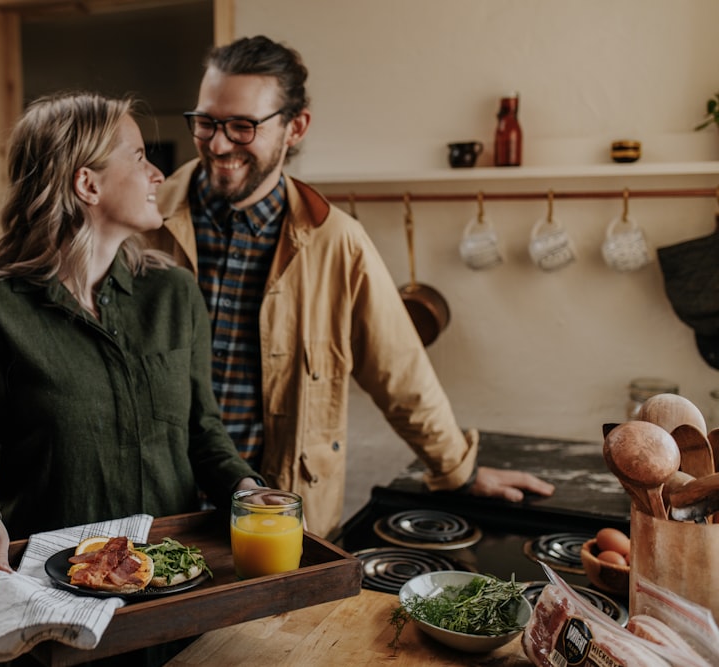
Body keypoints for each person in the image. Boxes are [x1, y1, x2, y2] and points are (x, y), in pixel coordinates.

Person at [145, 36, 555, 538]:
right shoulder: (143, 220)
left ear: (296, 127)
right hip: (160, 507)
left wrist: (458, 471)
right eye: (206, 122)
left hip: (279, 517)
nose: (219, 143)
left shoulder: (338, 243)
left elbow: (400, 371)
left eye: (243, 126)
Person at [0, 91, 266, 606]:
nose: (158, 175)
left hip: (173, 589)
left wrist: (247, 492)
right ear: (87, 183)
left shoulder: (174, 293)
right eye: (140, 156)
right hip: (51, 595)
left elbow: (202, 432)